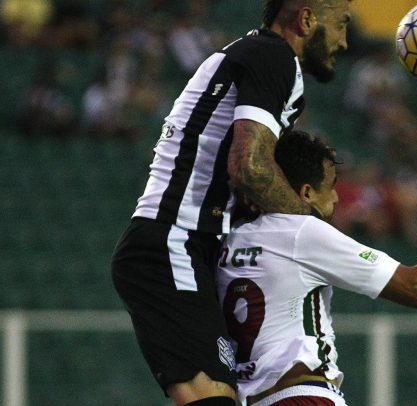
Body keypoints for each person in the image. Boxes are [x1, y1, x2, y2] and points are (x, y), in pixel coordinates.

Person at [110, 1, 353, 405]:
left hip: (189, 243)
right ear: (307, 19)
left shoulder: (254, 53)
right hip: (175, 239)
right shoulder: (274, 56)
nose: (345, 41)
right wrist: (309, 228)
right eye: (341, 25)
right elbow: (249, 166)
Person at [216, 130, 417, 405]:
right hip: (304, 396)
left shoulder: (228, 240)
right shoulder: (302, 232)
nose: (337, 197)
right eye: (331, 186)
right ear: (307, 192)